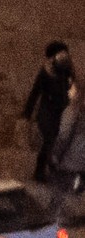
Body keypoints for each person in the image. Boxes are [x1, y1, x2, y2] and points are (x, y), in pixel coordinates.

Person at [24, 41, 75, 184]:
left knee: (54, 139)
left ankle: (49, 164)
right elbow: (36, 91)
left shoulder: (66, 69)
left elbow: (71, 86)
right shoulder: (46, 71)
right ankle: (39, 171)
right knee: (48, 139)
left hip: (58, 110)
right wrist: (27, 113)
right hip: (47, 109)